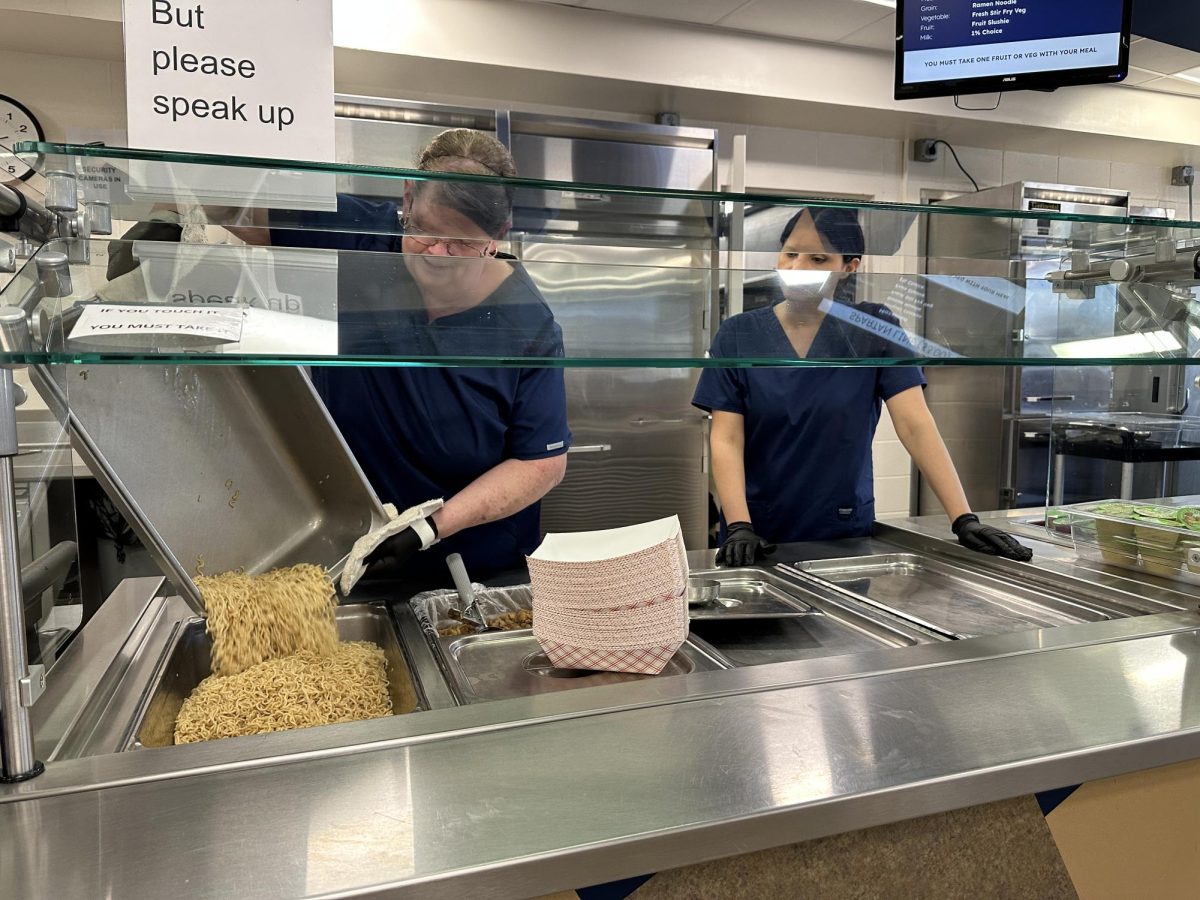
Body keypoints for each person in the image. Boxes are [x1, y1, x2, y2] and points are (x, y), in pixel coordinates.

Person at [265, 129, 571, 586]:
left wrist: (429, 528)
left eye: (465, 244)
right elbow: (236, 206)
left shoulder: (527, 323)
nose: (439, 255)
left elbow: (542, 463)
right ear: (408, 198)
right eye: (426, 230)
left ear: (498, 235)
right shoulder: (360, 238)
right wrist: (175, 216)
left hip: (473, 573)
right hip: (348, 557)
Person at [692, 206, 1030, 566]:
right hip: (755, 530)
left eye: (818, 258)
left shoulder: (873, 327)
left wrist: (963, 518)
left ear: (850, 266)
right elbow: (726, 437)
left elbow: (916, 425)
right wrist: (740, 523)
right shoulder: (739, 334)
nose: (797, 268)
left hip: (840, 530)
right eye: (790, 253)